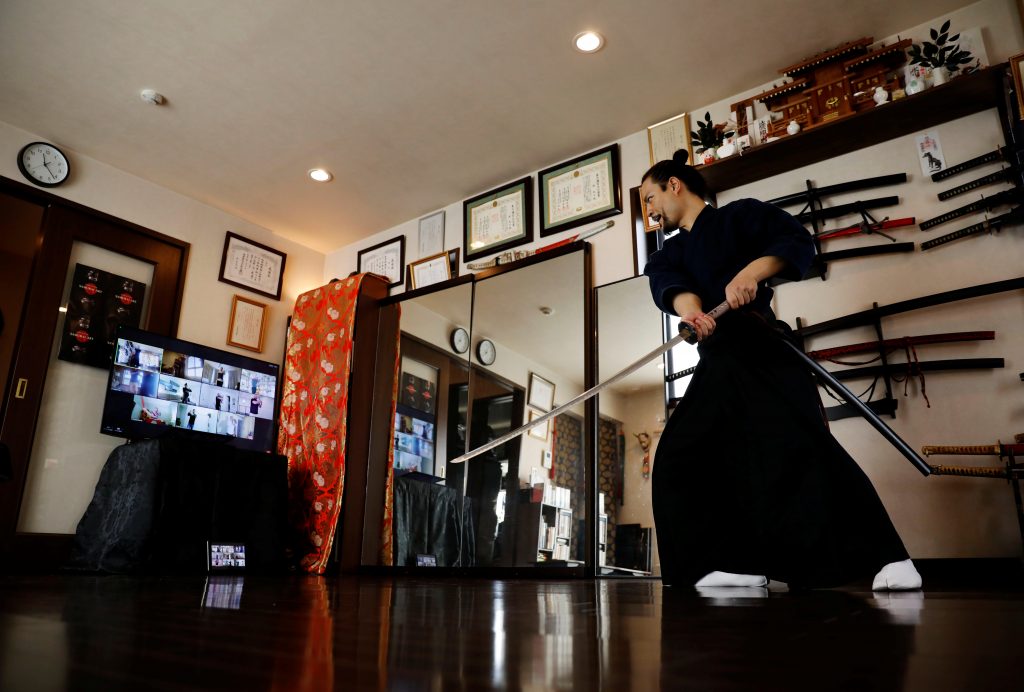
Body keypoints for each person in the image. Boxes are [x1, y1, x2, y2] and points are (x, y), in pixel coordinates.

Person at [640, 149, 921, 592]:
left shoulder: (740, 216)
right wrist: (694, 313)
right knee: (681, 455)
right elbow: (670, 287)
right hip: (718, 359)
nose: (649, 210)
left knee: (804, 448)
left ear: (674, 184)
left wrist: (751, 272)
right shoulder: (667, 252)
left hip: (763, 348)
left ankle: (890, 558)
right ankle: (726, 564)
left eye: (649, 197)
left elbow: (795, 240)